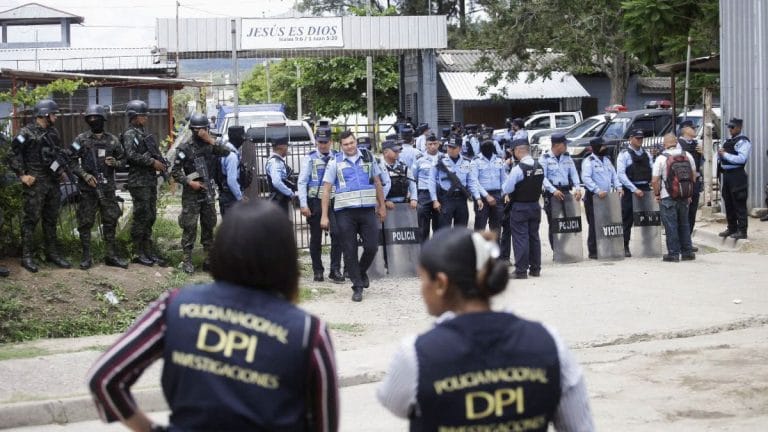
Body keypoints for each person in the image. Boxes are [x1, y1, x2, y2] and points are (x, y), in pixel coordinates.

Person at [87, 201, 339, 432]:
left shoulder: (175, 306)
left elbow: (105, 377)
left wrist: (149, 429)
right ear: (285, 259)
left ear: (220, 249)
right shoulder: (308, 332)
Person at [377, 228, 594, 431]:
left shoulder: (415, 356)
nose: (421, 291)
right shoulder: (549, 343)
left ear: (441, 283)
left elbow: (392, 400)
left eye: (422, 279)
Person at [320, 131, 387, 302]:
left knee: (372, 246)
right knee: (349, 250)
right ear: (340, 146)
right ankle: (357, 286)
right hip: (345, 212)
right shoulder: (335, 162)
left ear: (355, 142)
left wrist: (382, 205)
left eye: (351, 143)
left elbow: (378, 182)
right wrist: (324, 216)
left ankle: (361, 271)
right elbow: (326, 189)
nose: (349, 146)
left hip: (366, 210)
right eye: (346, 144)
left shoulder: (368, 157)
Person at [9, 99, 71, 272]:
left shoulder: (54, 133)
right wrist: (22, 175)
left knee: (51, 220)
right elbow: (12, 154)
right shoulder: (25, 133)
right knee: (30, 220)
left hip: (52, 183)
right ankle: (26, 256)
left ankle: (52, 253)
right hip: (35, 184)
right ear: (44, 114)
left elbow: (55, 155)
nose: (56, 117)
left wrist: (60, 172)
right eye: (54, 114)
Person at [70, 104, 129, 270]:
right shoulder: (80, 140)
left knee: (110, 221)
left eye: (96, 118)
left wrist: (115, 162)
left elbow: (124, 159)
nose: (93, 121)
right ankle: (86, 257)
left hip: (107, 188)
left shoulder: (112, 140)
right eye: (90, 118)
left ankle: (111, 255)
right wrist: (85, 175)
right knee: (85, 222)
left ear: (103, 119)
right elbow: (71, 160)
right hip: (88, 189)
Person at [170, 112, 230, 274]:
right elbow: (175, 171)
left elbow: (227, 152)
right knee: (189, 226)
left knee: (209, 225)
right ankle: (187, 260)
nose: (200, 132)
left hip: (208, 191)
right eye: (197, 129)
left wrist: (210, 139)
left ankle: (209, 259)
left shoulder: (211, 145)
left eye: (203, 129)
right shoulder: (185, 148)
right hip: (192, 193)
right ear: (192, 129)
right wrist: (190, 182)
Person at [123, 99, 167, 267]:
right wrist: (151, 162)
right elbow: (130, 155)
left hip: (149, 181)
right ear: (134, 116)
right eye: (143, 115)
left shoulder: (142, 133)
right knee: (141, 216)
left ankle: (147, 249)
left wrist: (159, 162)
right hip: (138, 182)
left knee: (150, 216)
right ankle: (137, 251)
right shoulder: (130, 134)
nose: (146, 118)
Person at [298, 127, 344, 283]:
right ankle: (318, 271)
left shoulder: (337, 157)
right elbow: (302, 181)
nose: (323, 145)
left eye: (325, 142)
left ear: (331, 142)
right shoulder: (310, 158)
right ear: (316, 142)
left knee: (337, 234)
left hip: (334, 201)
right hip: (316, 202)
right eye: (320, 142)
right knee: (316, 238)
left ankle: (335, 269)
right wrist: (303, 204)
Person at [502, 140, 544, 279]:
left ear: (518, 151)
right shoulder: (540, 166)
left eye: (513, 151)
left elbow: (507, 189)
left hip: (520, 207)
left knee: (520, 238)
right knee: (534, 237)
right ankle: (535, 269)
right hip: (535, 206)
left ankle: (521, 271)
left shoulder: (517, 169)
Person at [652, 133, 697, 262]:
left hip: (667, 196)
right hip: (684, 195)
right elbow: (693, 175)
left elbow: (655, 180)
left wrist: (657, 194)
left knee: (671, 225)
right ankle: (687, 252)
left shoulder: (661, 158)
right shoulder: (687, 155)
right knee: (684, 223)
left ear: (665, 144)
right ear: (676, 141)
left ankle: (673, 253)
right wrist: (688, 193)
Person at [582, 137, 623, 259]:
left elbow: (614, 175)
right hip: (593, 196)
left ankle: (605, 247)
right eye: (602, 146)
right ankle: (593, 251)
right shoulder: (589, 161)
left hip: (607, 196)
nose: (605, 148)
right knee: (594, 224)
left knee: (607, 222)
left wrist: (619, 187)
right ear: (596, 148)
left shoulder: (607, 160)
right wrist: (597, 190)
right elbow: (586, 178)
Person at [429, 136, 482, 229]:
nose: (451, 150)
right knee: (444, 230)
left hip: (461, 198)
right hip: (446, 198)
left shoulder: (467, 162)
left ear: (460, 148)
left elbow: (471, 181)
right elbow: (432, 181)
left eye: (454, 147)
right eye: (449, 147)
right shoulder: (439, 160)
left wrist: (477, 197)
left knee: (461, 230)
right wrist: (434, 200)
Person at [540, 132, 582, 248]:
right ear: (557, 145)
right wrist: (553, 190)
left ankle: (562, 248)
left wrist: (578, 188)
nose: (566, 146)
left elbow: (574, 173)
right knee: (554, 224)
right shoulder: (545, 159)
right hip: (552, 194)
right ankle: (556, 251)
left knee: (571, 222)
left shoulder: (567, 157)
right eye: (565, 144)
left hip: (566, 192)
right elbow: (542, 177)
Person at [617, 129, 654, 257]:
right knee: (627, 219)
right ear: (631, 138)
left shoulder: (647, 154)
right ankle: (625, 246)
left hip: (645, 188)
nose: (640, 140)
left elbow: (652, 170)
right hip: (630, 190)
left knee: (647, 218)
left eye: (641, 138)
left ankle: (648, 244)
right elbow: (621, 175)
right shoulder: (624, 154)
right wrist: (633, 189)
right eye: (637, 138)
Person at [718, 117, 752, 239]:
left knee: (739, 203)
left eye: (732, 127)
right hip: (727, 175)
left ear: (739, 128)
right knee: (729, 203)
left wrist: (725, 154)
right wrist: (720, 156)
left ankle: (742, 231)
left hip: (737, 175)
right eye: (729, 127)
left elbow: (741, 159)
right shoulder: (728, 141)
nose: (730, 129)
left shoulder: (744, 141)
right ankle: (732, 228)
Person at [471, 139, 507, 239]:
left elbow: (503, 179)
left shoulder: (499, 160)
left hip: (497, 195)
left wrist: (505, 193)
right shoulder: (475, 161)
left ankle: (495, 252)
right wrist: (486, 196)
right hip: (482, 196)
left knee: (496, 226)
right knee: (480, 225)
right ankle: (477, 252)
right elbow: (474, 181)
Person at [412, 134, 442, 242]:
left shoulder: (444, 158)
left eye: (435, 144)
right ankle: (424, 254)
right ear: (425, 145)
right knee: (423, 228)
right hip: (424, 194)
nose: (433, 146)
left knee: (439, 227)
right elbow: (414, 177)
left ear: (438, 144)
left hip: (440, 195)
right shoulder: (419, 159)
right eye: (430, 144)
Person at [677, 121, 703, 239]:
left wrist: (703, 153)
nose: (694, 130)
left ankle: (688, 239)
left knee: (692, 212)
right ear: (685, 129)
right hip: (682, 181)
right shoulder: (678, 144)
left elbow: (705, 162)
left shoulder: (697, 144)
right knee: (682, 211)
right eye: (692, 128)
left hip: (695, 181)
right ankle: (680, 239)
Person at [217, 125, 246, 216]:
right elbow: (232, 181)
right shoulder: (231, 156)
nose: (243, 141)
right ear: (237, 138)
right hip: (230, 198)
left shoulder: (225, 149)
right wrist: (240, 198)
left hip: (226, 195)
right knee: (235, 228)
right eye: (242, 138)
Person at [380, 140, 418, 209]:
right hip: (386, 206)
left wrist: (414, 198)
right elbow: (375, 187)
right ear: (385, 152)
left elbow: (412, 182)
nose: (398, 153)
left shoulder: (403, 166)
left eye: (398, 151)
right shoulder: (378, 167)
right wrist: (384, 201)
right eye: (395, 151)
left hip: (404, 204)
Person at [265, 137, 295, 214]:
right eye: (287, 146)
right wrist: (290, 193)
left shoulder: (276, 161)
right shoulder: (275, 162)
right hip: (278, 201)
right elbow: (276, 182)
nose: (287, 149)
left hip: (279, 200)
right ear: (282, 147)